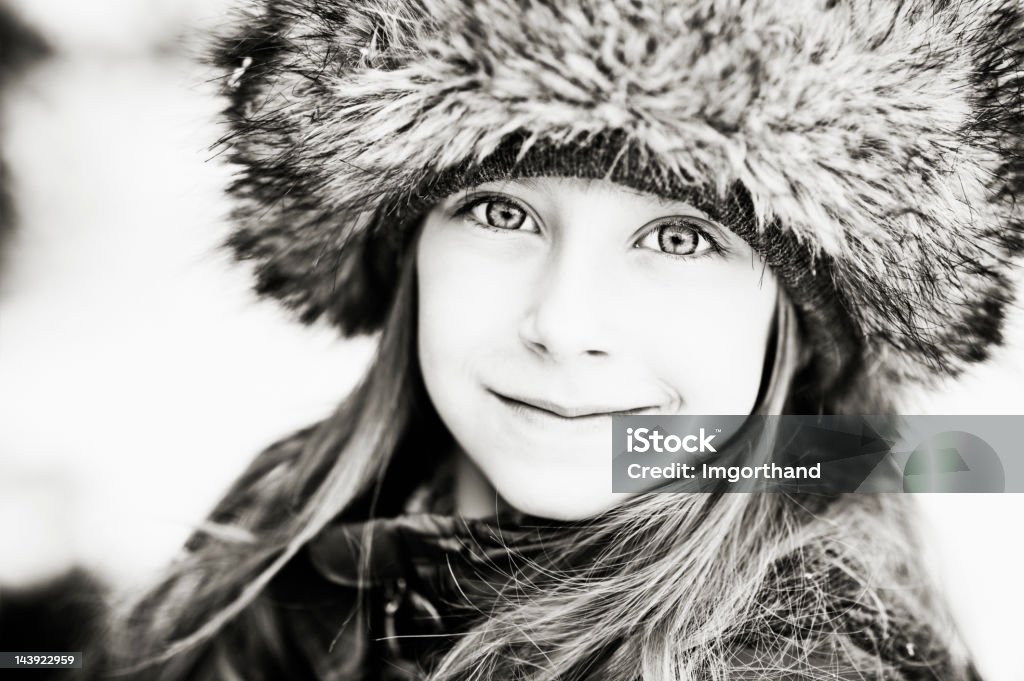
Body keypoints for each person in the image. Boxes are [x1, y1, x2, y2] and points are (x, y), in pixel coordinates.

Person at [98, 0, 1022, 679]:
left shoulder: (802, 660)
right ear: (405, 250)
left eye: (680, 237)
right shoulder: (272, 550)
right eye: (501, 212)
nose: (564, 325)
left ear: (798, 319)